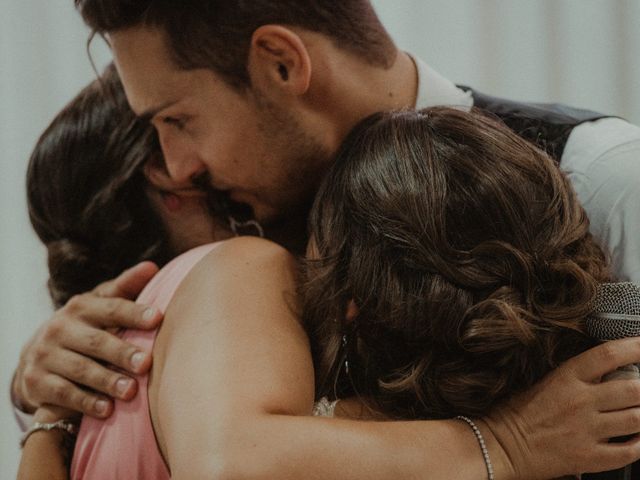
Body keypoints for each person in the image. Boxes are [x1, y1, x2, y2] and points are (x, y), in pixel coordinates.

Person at [12, 0, 640, 475]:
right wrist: (49, 389)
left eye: (178, 120)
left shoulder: (605, 174)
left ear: (282, 63)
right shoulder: (242, 248)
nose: (177, 168)